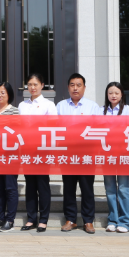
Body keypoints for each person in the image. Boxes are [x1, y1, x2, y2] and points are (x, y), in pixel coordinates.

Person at [57, 73, 102, 234]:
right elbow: (56, 128)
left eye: (78, 85)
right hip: (67, 153)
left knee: (87, 188)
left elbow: (98, 128)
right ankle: (70, 219)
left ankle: (88, 221)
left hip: (86, 154)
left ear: (84, 87)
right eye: (72, 85)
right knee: (69, 187)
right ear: (68, 87)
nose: (75, 88)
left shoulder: (93, 106)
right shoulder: (61, 106)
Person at [18, 73, 57, 232]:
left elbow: (53, 127)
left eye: (35, 84)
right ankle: (31, 218)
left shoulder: (49, 105)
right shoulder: (22, 105)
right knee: (30, 185)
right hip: (27, 149)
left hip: (42, 150)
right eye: (29, 84)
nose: (32, 87)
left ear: (42, 85)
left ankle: (44, 219)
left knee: (42, 184)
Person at [101, 81, 129, 234]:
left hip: (123, 154)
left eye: (116, 93)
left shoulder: (128, 110)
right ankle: (112, 220)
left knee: (124, 188)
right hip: (107, 154)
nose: (113, 95)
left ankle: (125, 221)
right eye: (110, 93)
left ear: (122, 95)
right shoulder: (101, 110)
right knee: (110, 189)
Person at [0, 81, 20, 232]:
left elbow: (18, 132)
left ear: (9, 94)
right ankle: (0, 218)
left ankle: (10, 220)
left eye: (3, 92)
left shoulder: (15, 111)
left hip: (10, 155)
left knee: (10, 187)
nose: (0, 95)